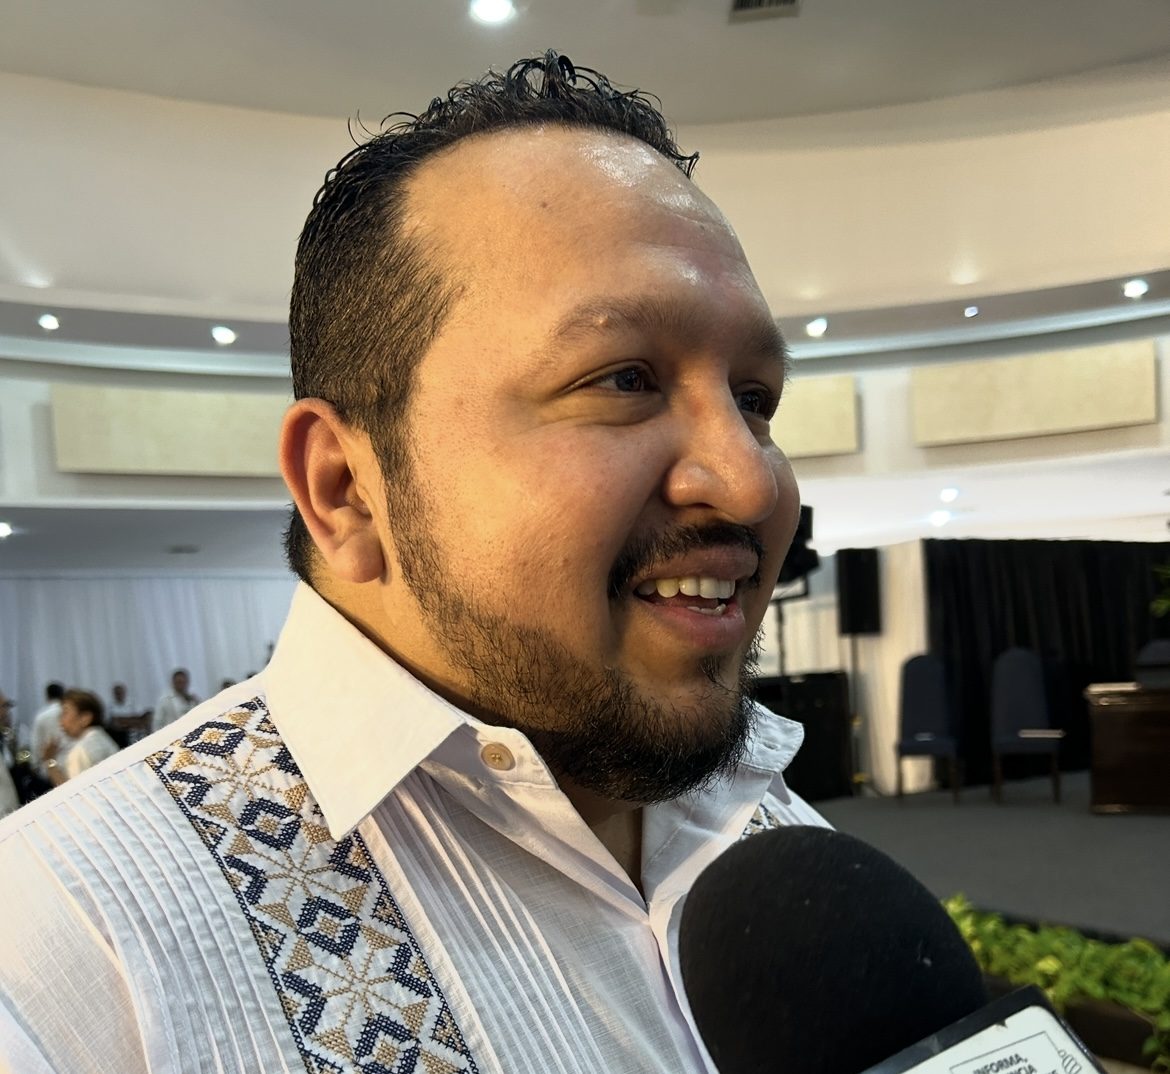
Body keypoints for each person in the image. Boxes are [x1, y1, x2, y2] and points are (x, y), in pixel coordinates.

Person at [0, 53, 827, 1073]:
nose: (748, 484)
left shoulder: (775, 833)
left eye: (755, 398)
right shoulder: (61, 959)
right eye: (623, 379)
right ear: (346, 488)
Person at [38, 688, 120, 787]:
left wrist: (50, 761)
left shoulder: (80, 751)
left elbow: (73, 793)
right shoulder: (102, 738)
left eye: (65, 713)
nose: (60, 721)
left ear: (85, 718)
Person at [28, 680, 65, 780]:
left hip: (49, 767)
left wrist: (34, 765)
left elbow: (35, 743)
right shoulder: (68, 711)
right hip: (71, 761)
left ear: (47, 696)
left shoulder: (41, 716)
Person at [151, 667, 198, 731]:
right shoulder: (165, 700)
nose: (181, 685)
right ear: (173, 683)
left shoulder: (194, 699)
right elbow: (157, 723)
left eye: (183, 682)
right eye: (179, 682)